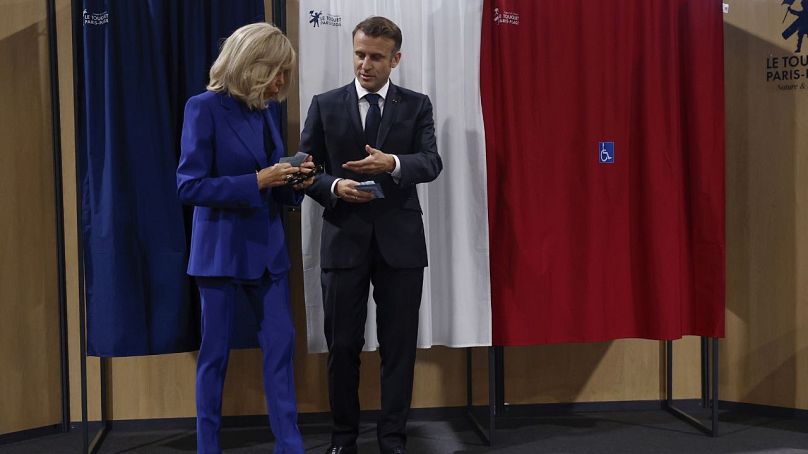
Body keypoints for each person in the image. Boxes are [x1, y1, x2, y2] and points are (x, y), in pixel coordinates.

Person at [300, 16, 442, 454]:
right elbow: (304, 171)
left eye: (376, 57)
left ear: (395, 59)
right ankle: (343, 439)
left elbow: (431, 163)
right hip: (343, 242)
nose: (365, 64)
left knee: (398, 349)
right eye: (359, 54)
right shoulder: (324, 104)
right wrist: (333, 187)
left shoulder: (417, 105)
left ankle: (393, 440)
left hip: (401, 247)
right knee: (343, 347)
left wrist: (393, 164)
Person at [176, 22, 314, 454]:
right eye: (278, 72)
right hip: (219, 252)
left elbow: (275, 181)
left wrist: (295, 180)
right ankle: (207, 447)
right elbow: (189, 187)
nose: (282, 83)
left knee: (280, 349)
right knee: (214, 356)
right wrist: (256, 180)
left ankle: (289, 446)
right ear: (253, 66)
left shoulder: (264, 112)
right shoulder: (202, 108)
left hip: (269, 253)